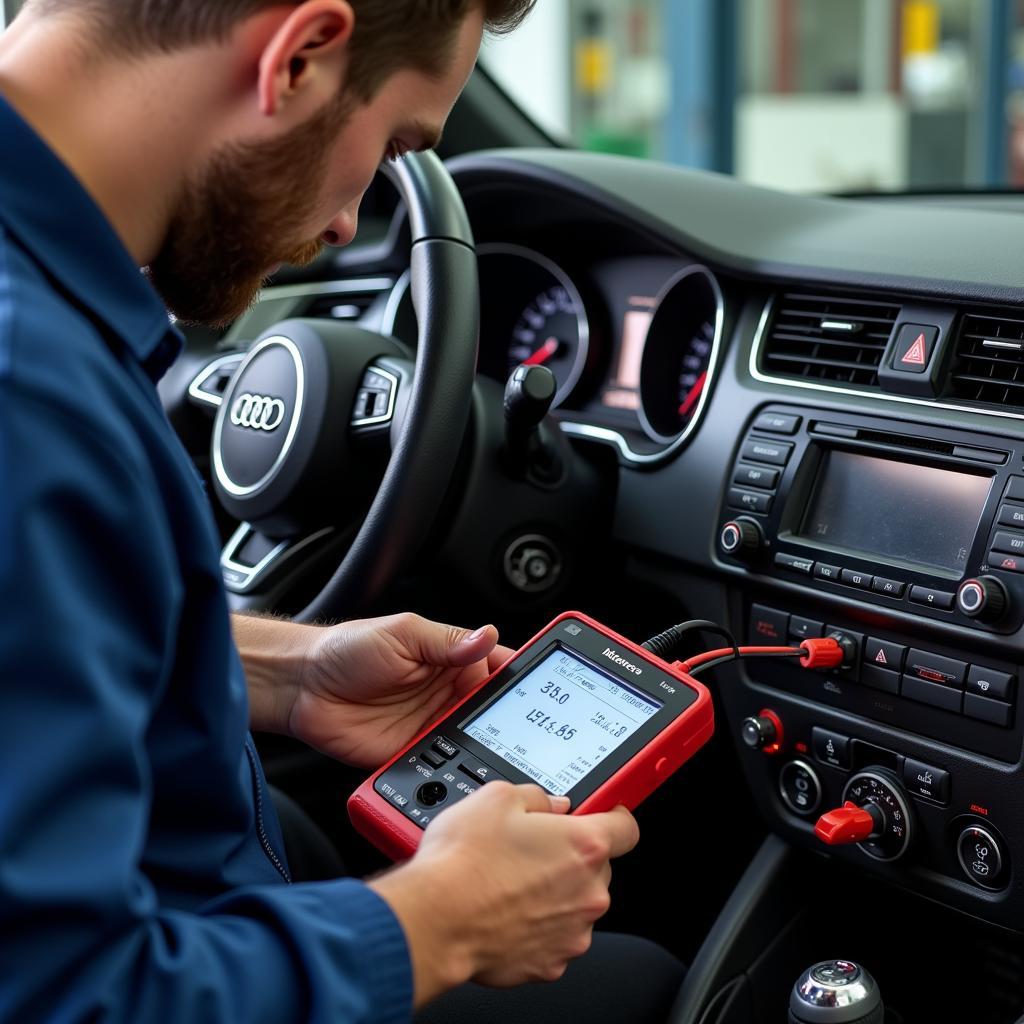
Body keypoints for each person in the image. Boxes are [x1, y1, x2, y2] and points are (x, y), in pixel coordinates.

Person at [0, 1, 686, 1020]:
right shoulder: (34, 400)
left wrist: (283, 672)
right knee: (650, 985)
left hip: (195, 874)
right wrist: (440, 922)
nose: (340, 224)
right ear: (302, 57)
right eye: (396, 143)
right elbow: (64, 993)